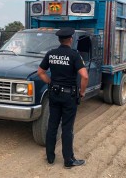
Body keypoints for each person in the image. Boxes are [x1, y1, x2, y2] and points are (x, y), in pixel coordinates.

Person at [37, 27, 88, 169]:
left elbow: (40, 72)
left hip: (54, 94)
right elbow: (84, 76)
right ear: (70, 39)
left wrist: (50, 82)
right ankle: (68, 160)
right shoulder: (74, 55)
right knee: (67, 128)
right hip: (69, 96)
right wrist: (82, 92)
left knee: (52, 125)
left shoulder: (51, 54)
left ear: (59, 39)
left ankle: (50, 158)